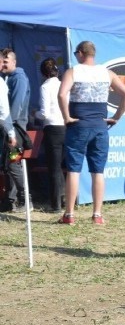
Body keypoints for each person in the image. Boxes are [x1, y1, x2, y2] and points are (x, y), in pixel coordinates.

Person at [57, 41, 125, 225]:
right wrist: (116, 117)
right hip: (99, 126)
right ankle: (97, 215)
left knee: (74, 170)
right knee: (98, 171)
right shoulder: (107, 73)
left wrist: (67, 117)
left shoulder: (73, 71)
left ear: (81, 53)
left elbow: (61, 94)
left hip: (79, 125)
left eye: (76, 53)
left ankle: (69, 215)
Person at [35, 58, 66, 213]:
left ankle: (56, 205)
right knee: (63, 166)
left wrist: (35, 114)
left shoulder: (45, 87)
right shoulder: (63, 86)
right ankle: (63, 199)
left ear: (43, 73)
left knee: (54, 167)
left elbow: (44, 113)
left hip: (52, 128)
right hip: (65, 127)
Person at [2, 49, 30, 212]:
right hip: (8, 128)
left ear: (14, 62)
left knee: (13, 162)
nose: (3, 64)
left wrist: (9, 127)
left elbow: (16, 106)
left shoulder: (19, 78)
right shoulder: (5, 78)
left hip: (16, 129)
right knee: (8, 163)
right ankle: (10, 200)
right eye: (2, 61)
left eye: (6, 61)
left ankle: (26, 199)